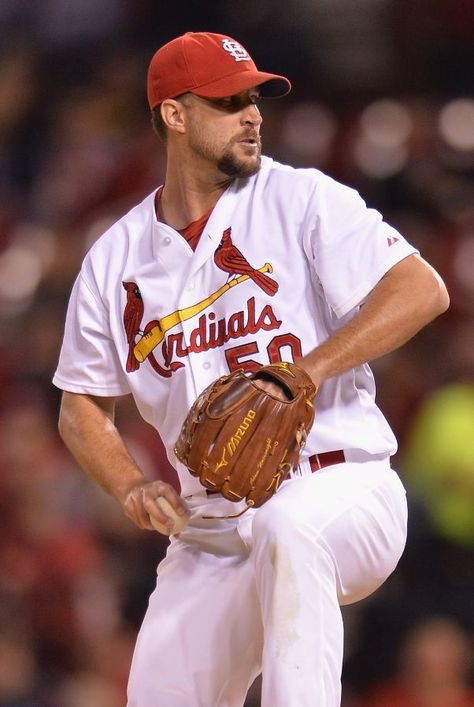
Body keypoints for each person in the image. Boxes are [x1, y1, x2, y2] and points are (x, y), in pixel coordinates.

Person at [53, 31, 450, 707]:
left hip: (340, 484)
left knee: (286, 527)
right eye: (228, 100)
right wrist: (129, 485)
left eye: (255, 98)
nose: (253, 114)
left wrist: (309, 369)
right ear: (174, 115)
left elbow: (422, 288)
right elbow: (81, 406)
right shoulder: (114, 257)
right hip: (209, 522)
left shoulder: (299, 199)